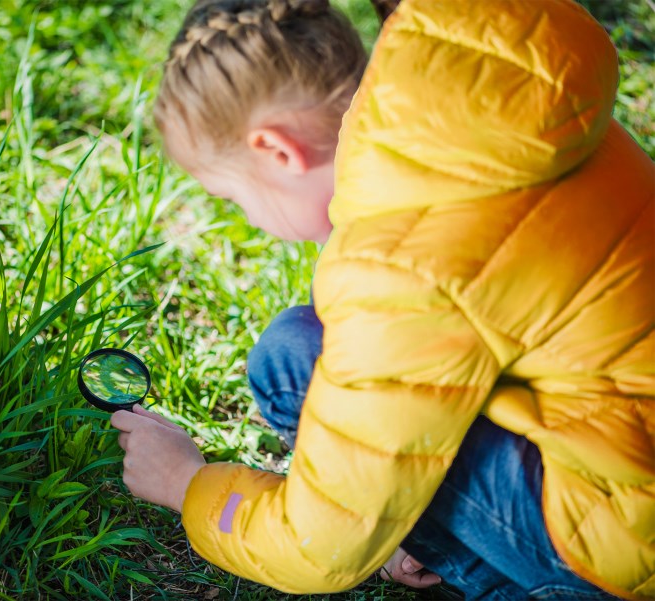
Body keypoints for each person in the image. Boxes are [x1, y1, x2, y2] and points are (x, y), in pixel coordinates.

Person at [111, 0, 655, 598]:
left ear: (276, 151)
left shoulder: (401, 259)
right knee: (301, 348)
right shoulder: (486, 106)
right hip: (623, 446)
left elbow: (320, 548)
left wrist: (188, 484)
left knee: (292, 362)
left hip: (630, 538)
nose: (255, 221)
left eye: (236, 197)